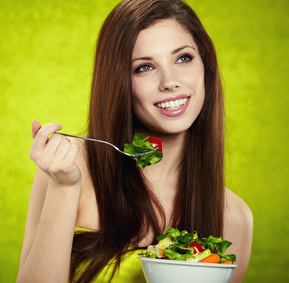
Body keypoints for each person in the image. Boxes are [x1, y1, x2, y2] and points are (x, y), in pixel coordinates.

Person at [16, 0, 253, 282]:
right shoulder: (70, 168)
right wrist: (65, 188)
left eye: (183, 58)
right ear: (119, 82)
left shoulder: (234, 216)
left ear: (206, 66)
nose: (170, 81)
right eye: (144, 67)